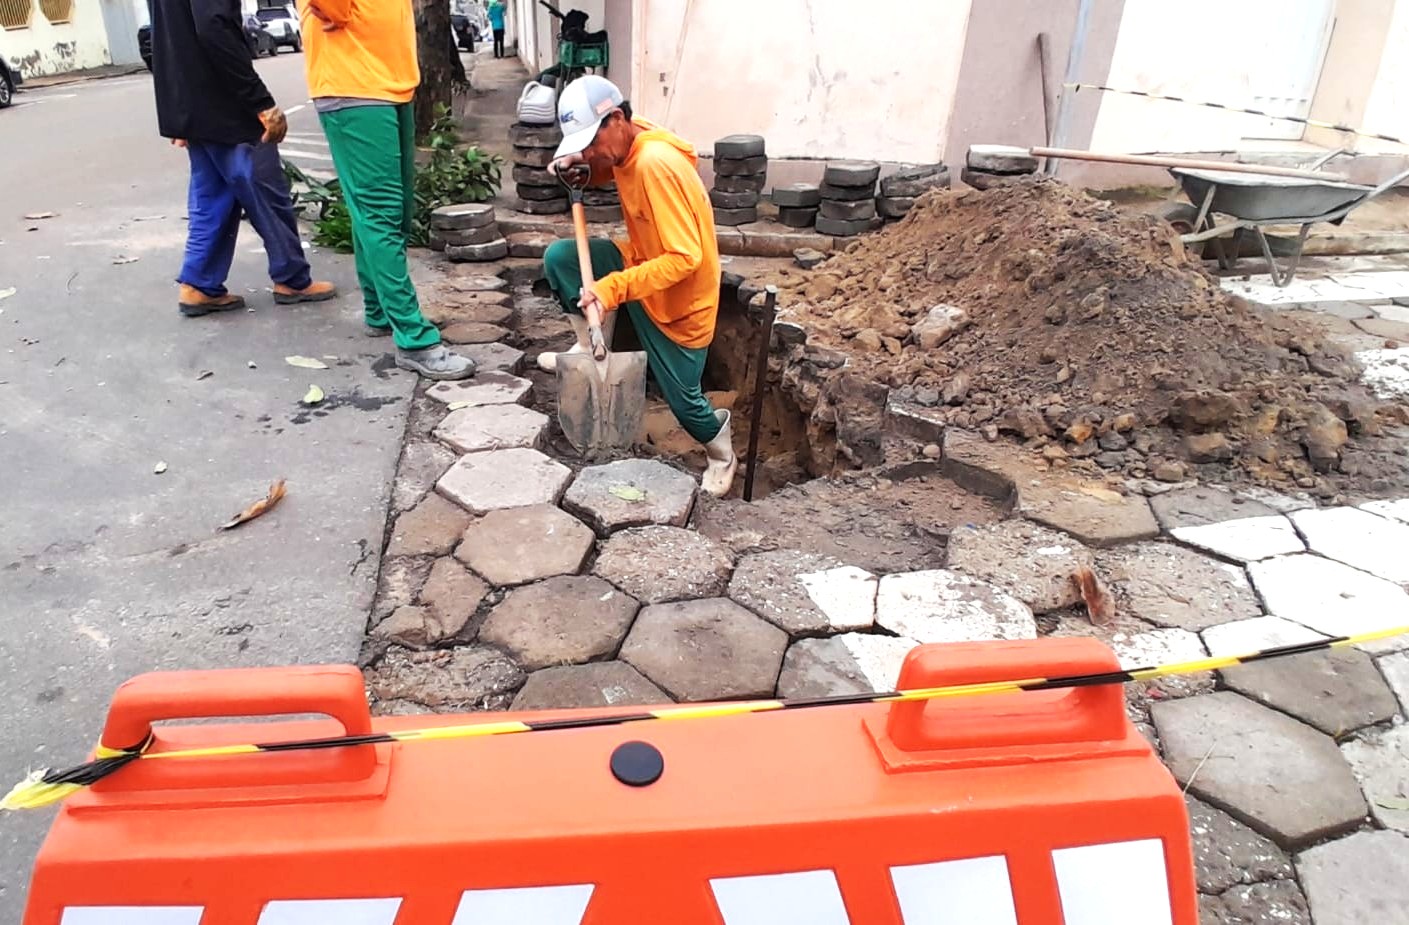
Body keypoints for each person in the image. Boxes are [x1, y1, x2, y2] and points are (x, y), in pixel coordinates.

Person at [538, 76, 736, 497]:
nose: (589, 151)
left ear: (615, 118)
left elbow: (685, 259)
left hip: (681, 302)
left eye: (591, 141)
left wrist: (611, 289)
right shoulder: (633, 137)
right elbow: (610, 166)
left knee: (687, 406)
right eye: (581, 144)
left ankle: (723, 453)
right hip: (645, 263)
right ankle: (593, 346)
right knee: (561, 259)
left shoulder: (655, 164)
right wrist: (582, 171)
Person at [299, 0, 476, 380]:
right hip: (354, 85)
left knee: (390, 212)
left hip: (389, 83)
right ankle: (414, 339)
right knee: (381, 213)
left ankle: (380, 309)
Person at [150, 0, 337, 317]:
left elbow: (164, 33)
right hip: (227, 103)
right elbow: (214, 27)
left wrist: (180, 112)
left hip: (195, 104)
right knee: (265, 190)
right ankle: (292, 278)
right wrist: (260, 102)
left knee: (211, 197)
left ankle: (199, 284)